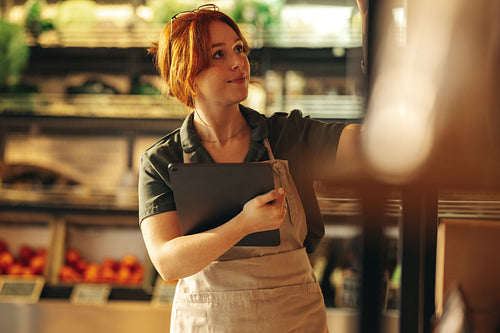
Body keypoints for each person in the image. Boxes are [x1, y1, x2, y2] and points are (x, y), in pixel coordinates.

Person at [138, 4, 362, 332]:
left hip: (293, 321)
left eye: (239, 48)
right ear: (187, 72)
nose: (238, 61)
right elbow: (168, 263)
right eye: (218, 54)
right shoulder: (162, 160)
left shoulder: (288, 135)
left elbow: (365, 144)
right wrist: (244, 223)